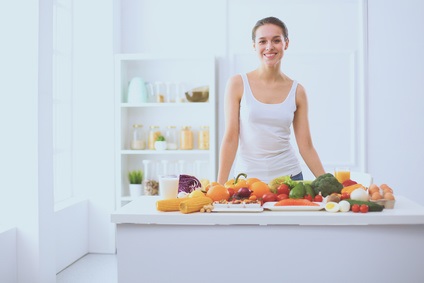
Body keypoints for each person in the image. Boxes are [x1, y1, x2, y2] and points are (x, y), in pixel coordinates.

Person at [217, 16, 326, 185]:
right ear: (254, 46)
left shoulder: (297, 91)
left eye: (276, 40)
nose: (269, 47)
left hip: (290, 179)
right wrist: (218, 186)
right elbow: (230, 138)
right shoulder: (237, 84)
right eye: (262, 41)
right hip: (247, 180)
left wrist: (329, 185)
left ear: (286, 43)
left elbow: (306, 146)